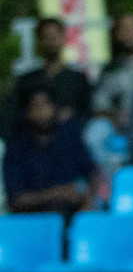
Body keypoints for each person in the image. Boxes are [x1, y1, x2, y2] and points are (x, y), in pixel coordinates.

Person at [2, 88, 97, 216]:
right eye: (36, 106)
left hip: (73, 215)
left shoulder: (69, 138)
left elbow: (93, 173)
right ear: (27, 112)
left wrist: (88, 200)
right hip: (34, 221)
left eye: (46, 104)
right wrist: (56, 194)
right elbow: (16, 200)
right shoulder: (16, 148)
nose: (43, 111)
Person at [12, 18, 92, 126]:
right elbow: (15, 113)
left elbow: (88, 112)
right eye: (46, 37)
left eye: (55, 36)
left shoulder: (78, 80)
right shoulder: (28, 81)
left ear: (64, 38)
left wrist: (72, 115)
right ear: (39, 41)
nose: (51, 41)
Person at [92, 14, 133, 121]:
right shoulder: (109, 70)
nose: (128, 33)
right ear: (116, 34)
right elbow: (100, 102)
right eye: (123, 29)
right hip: (117, 125)